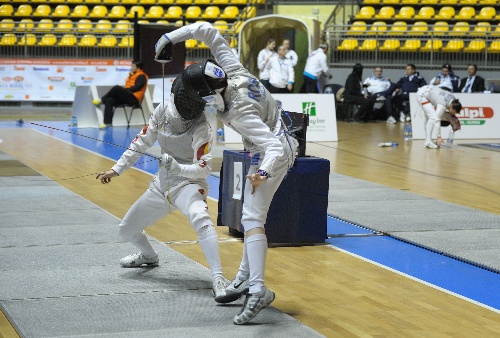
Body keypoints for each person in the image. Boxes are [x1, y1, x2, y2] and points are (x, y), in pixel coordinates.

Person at [155, 22, 299, 325]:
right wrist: (170, 37)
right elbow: (208, 30)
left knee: (251, 219)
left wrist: (261, 172)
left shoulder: (239, 111)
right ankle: (246, 278)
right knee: (250, 215)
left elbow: (272, 147)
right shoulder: (233, 71)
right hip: (270, 144)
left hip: (273, 151)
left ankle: (258, 289)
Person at [95, 60, 229, 299]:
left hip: (188, 185)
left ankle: (219, 279)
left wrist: (178, 166)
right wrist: (116, 170)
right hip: (161, 185)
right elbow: (141, 142)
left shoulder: (202, 127)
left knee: (201, 218)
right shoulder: (162, 111)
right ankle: (149, 256)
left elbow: (204, 169)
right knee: (126, 230)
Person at [93, 60, 148, 129]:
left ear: (138, 68)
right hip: (128, 97)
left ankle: (101, 100)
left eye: (133, 66)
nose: (131, 67)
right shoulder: (132, 75)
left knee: (116, 88)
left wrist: (125, 90)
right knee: (109, 100)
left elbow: (137, 87)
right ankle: (107, 123)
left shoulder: (142, 76)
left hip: (134, 99)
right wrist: (125, 91)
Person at [416, 85, 462, 149]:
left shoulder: (453, 99)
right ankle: (428, 141)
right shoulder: (443, 104)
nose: (453, 114)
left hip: (427, 90)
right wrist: (439, 137)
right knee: (432, 117)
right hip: (422, 95)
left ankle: (428, 140)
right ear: (452, 107)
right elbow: (437, 119)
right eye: (454, 112)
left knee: (428, 118)